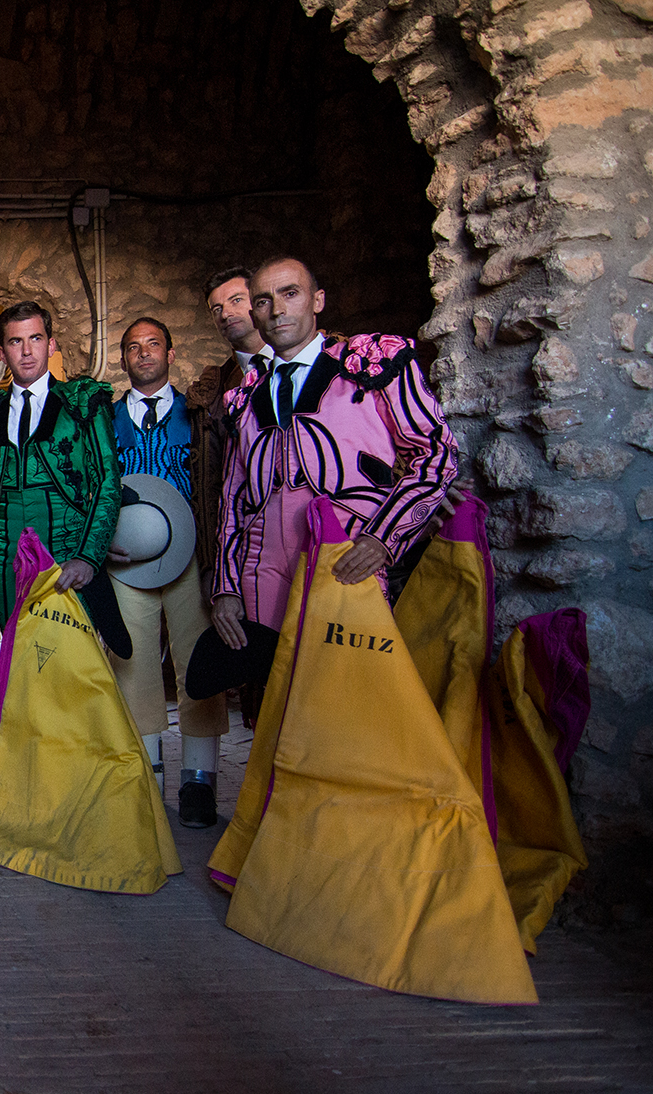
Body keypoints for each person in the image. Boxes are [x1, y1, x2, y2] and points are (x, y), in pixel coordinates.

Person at [210, 256, 458, 647]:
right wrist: (226, 586)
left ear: (318, 300)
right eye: (262, 301)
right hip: (262, 571)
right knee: (273, 694)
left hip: (349, 557)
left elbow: (435, 455)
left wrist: (384, 538)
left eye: (290, 294)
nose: (276, 310)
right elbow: (233, 498)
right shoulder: (243, 397)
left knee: (351, 691)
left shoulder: (373, 362)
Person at [107, 318, 230, 828]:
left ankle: (199, 778)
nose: (143, 354)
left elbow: (224, 480)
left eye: (153, 344)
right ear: (124, 360)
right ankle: (148, 769)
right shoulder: (105, 419)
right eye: (133, 347)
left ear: (171, 354)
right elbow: (91, 484)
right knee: (131, 660)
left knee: (199, 658)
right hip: (126, 558)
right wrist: (102, 544)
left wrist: (217, 560)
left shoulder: (200, 415)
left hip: (192, 554)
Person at [0, 301, 120, 628]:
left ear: (52, 344)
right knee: (21, 664)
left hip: (68, 555)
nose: (27, 351)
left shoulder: (81, 401)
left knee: (72, 666)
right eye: (16, 342)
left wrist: (88, 558)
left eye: (36, 339)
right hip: (8, 564)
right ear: (2, 353)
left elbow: (107, 483)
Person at [188, 267, 263, 584]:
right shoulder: (216, 388)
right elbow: (208, 482)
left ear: (260, 301)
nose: (225, 313)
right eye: (216, 309)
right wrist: (210, 565)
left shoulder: (318, 359)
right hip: (246, 551)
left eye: (236, 300)